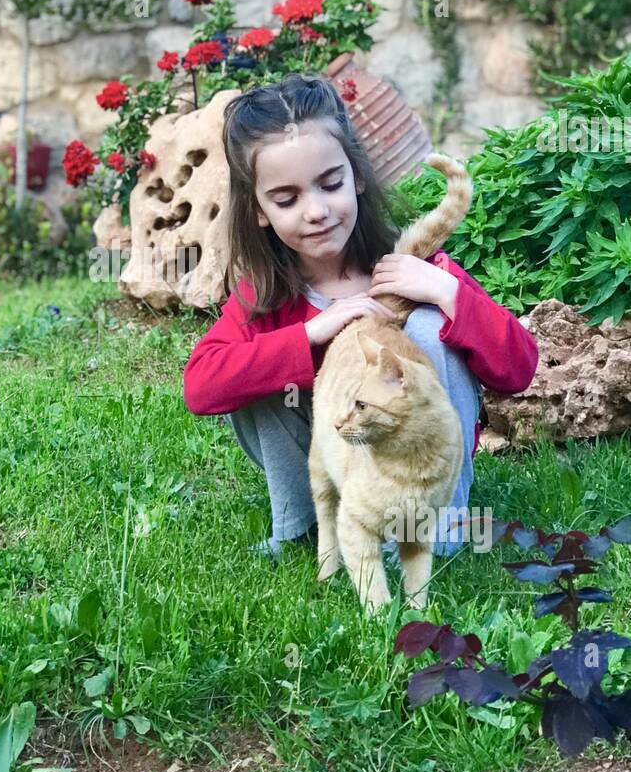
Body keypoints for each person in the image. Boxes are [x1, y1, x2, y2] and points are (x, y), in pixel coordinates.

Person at [182, 72, 540, 563]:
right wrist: (308, 336)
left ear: (358, 176)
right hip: (335, 457)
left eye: (331, 184)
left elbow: (519, 368)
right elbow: (201, 387)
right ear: (260, 210)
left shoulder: (415, 271)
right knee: (252, 372)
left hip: (414, 463)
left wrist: (448, 293)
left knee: (426, 332)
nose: (316, 211)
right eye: (287, 199)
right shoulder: (266, 294)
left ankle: (442, 526)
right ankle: (303, 526)